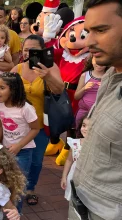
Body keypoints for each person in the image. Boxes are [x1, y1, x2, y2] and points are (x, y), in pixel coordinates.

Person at [71, 0, 122, 219]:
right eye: (88, 31)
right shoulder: (111, 75)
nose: (89, 41)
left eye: (101, 30)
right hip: (84, 201)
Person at [10, 35, 64, 206]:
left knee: (36, 161)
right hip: (18, 127)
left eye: (34, 50)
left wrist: (47, 75)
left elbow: (59, 90)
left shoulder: (50, 67)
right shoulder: (17, 69)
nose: (29, 53)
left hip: (41, 125)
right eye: (26, 49)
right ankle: (14, 189)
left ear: (42, 51)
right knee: (18, 160)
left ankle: (30, 188)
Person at [0, 72, 40, 213]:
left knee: (18, 185)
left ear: (13, 89)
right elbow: (0, 126)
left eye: (2, 88)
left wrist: (19, 145)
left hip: (23, 152)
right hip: (6, 150)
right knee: (4, 182)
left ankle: (16, 213)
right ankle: (4, 210)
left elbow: (35, 128)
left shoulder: (26, 108)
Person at [74, 56, 107, 128]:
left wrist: (104, 88)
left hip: (99, 114)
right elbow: (76, 97)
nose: (99, 64)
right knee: (80, 134)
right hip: (83, 112)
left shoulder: (108, 77)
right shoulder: (85, 75)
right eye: (96, 60)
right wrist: (84, 88)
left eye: (102, 61)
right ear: (92, 61)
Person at [61, 116, 89, 201]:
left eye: (90, 127)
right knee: (73, 200)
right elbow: (69, 160)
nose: (85, 129)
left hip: (88, 178)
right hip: (74, 176)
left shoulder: (97, 145)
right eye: (84, 125)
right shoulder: (75, 143)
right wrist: (64, 176)